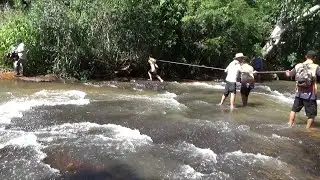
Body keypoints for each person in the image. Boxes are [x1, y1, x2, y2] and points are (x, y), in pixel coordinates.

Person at [285, 50, 320, 129]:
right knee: (311, 114)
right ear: (314, 58)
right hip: (310, 95)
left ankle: (289, 125)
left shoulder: (298, 65)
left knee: (294, 110)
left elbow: (289, 74)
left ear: (306, 56)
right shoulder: (316, 67)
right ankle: (307, 130)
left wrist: (287, 72)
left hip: (299, 93)